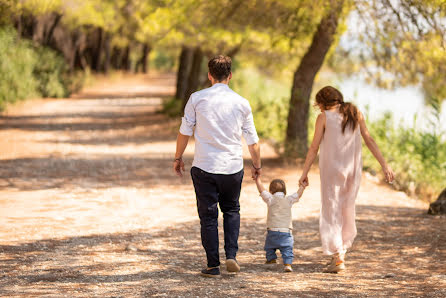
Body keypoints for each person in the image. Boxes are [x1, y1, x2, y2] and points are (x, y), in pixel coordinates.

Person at [173, 55, 261, 278]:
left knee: (209, 216)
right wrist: (257, 165)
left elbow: (185, 131)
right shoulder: (242, 103)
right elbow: (252, 140)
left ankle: (213, 265)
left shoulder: (196, 98)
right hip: (232, 167)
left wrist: (178, 157)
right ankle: (231, 254)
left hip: (204, 167)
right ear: (230, 76)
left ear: (209, 75)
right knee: (232, 210)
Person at [298, 86, 394, 273]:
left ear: (322, 103)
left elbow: (313, 148)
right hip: (352, 170)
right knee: (347, 207)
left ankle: (338, 256)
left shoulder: (324, 118)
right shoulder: (355, 112)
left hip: (332, 170)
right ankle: (340, 252)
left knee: (331, 208)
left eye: (319, 105)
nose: (319, 109)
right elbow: (369, 139)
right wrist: (385, 165)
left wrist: (304, 172)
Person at [254, 175, 305, 272]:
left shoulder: (270, 199)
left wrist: (257, 180)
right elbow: (298, 194)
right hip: (286, 231)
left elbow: (262, 191)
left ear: (271, 191)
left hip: (272, 231)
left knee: (269, 247)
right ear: (284, 191)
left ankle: (271, 259)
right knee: (287, 249)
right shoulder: (289, 200)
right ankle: (288, 264)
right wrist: (302, 186)